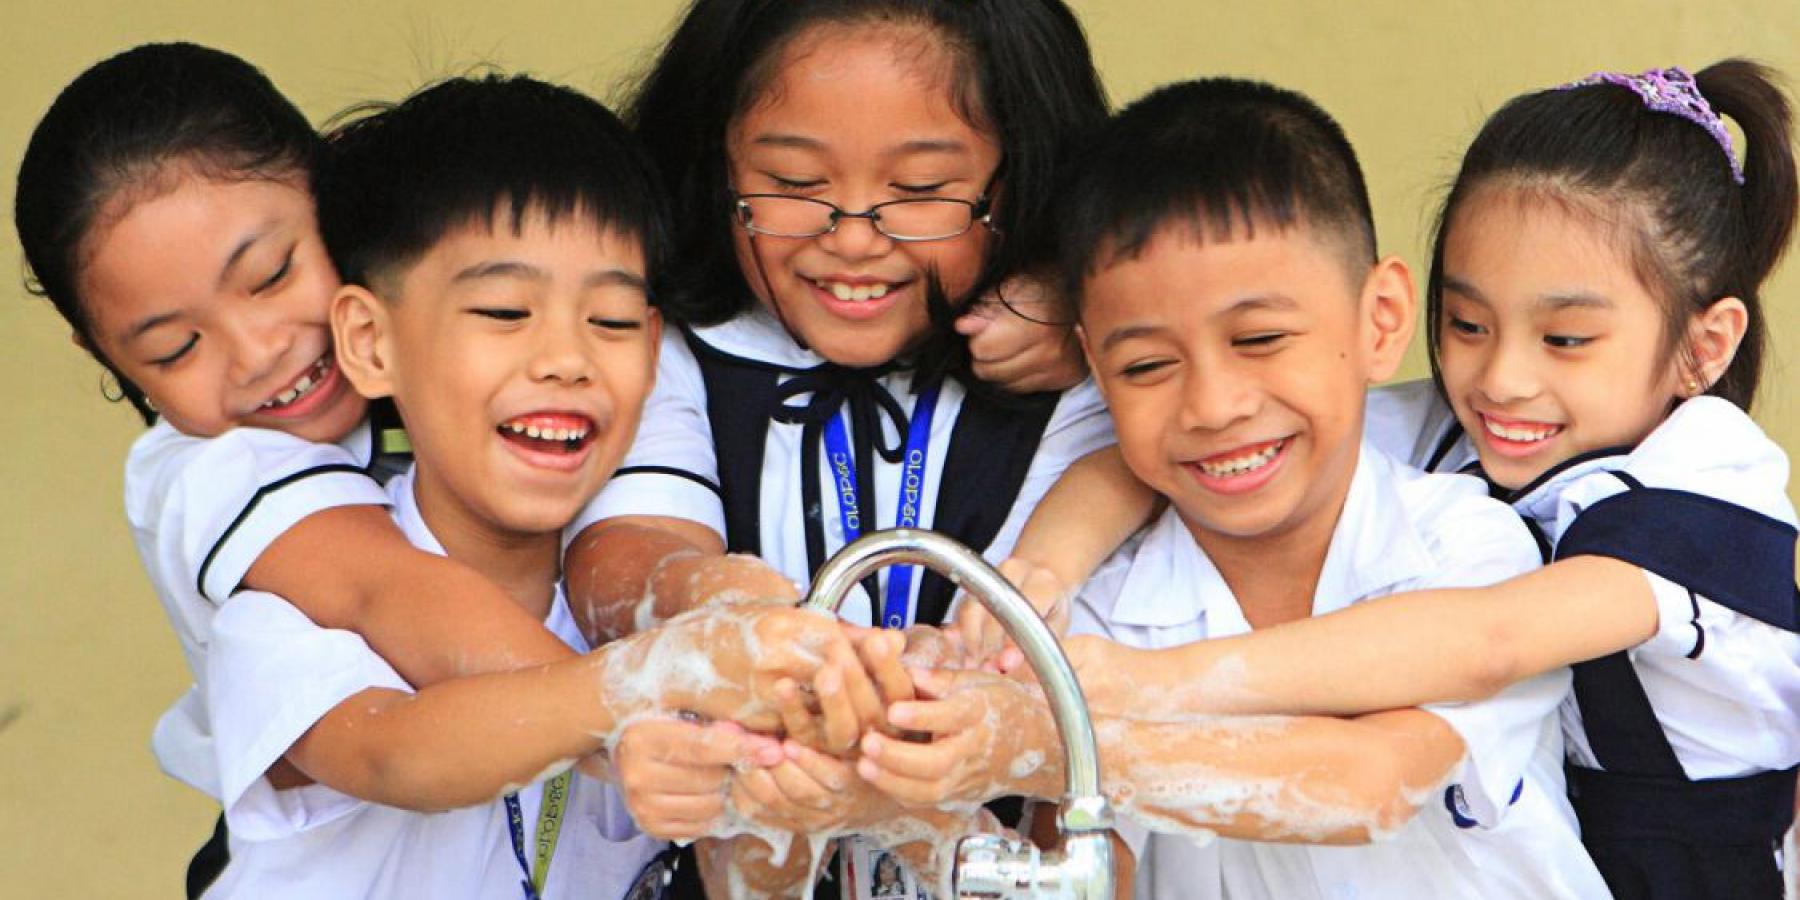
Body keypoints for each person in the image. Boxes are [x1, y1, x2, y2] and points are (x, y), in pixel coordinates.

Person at [998, 60, 1800, 900]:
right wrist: (1038, 580)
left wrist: (1144, 686)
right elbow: (1162, 461)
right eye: (1467, 324)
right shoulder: (1466, 431)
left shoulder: (1711, 479)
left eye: (1564, 340)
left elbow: (1493, 640)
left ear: (1706, 347)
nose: (1502, 378)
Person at [857, 77, 1610, 899]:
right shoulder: (1110, 607)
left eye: (1259, 338)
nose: (1214, 406)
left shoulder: (1463, 547)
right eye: (1146, 366)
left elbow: (1369, 785)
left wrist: (1051, 733)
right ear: (1097, 370)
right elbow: (1086, 871)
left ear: (1380, 319)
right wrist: (895, 790)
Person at [193, 72, 866, 898]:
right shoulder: (284, 613)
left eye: (612, 321)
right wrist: (646, 685)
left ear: (654, 352)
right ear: (369, 341)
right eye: (505, 313)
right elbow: (397, 751)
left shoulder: (635, 618)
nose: (567, 359)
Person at [567, 1, 1116, 895]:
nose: (855, 236)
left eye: (922, 192)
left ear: (1020, 176)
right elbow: (623, 559)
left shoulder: (1068, 376)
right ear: (716, 164)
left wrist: (1095, 304)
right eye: (792, 181)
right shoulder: (673, 348)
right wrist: (728, 606)